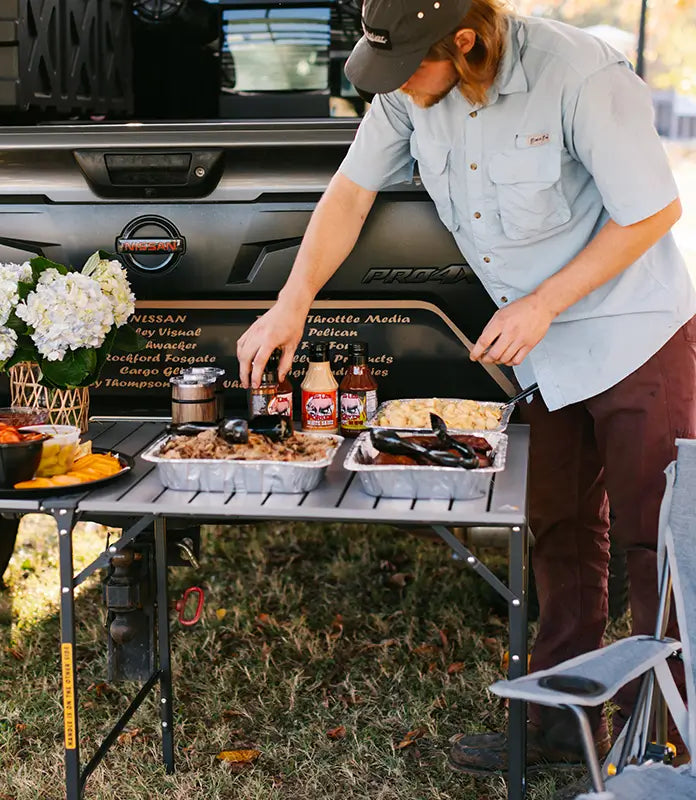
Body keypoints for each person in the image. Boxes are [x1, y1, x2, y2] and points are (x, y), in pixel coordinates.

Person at [236, 0, 696, 778]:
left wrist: (542, 303)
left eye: (408, 67)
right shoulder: (404, 88)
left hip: (634, 331)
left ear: (465, 42)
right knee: (559, 529)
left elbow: (654, 211)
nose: (394, 85)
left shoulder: (579, 73)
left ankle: (665, 743)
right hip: (543, 353)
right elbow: (350, 193)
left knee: (662, 544)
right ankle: (560, 725)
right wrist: (292, 301)